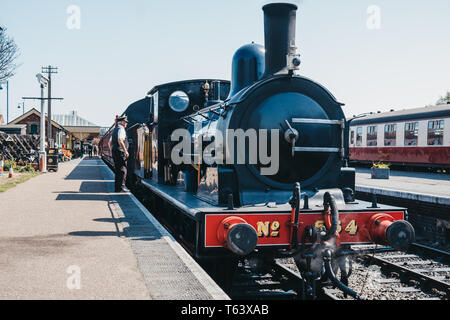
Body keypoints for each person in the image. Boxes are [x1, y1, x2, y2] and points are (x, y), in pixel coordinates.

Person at [109, 116, 129, 192]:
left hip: (115, 150)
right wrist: (125, 151)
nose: (126, 124)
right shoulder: (121, 129)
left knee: (117, 170)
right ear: (123, 122)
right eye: (126, 122)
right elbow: (120, 140)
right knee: (123, 170)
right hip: (120, 151)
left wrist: (112, 151)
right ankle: (121, 188)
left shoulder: (115, 130)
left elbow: (109, 143)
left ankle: (117, 188)